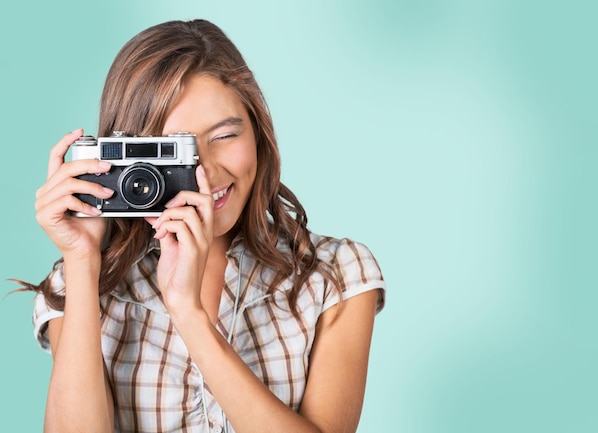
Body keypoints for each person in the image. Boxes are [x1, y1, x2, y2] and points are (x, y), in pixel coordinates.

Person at [25, 19, 385, 433]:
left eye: (225, 135)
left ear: (259, 133)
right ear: (129, 158)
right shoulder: (78, 284)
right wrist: (83, 261)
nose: (206, 172)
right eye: (174, 151)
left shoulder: (334, 275)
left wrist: (190, 314)